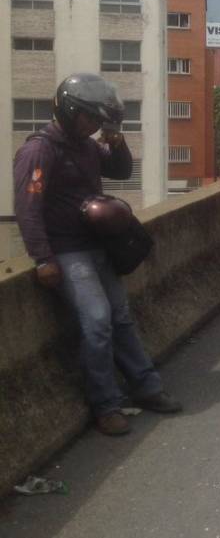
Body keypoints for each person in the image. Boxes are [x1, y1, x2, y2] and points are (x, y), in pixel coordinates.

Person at [13, 74, 182, 435]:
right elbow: (28, 207)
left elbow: (120, 170)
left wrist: (115, 137)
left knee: (121, 317)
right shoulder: (40, 149)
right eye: (89, 118)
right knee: (97, 321)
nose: (92, 126)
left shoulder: (86, 146)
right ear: (70, 111)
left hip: (98, 246)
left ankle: (147, 387)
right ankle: (106, 403)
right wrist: (42, 258)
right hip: (68, 251)